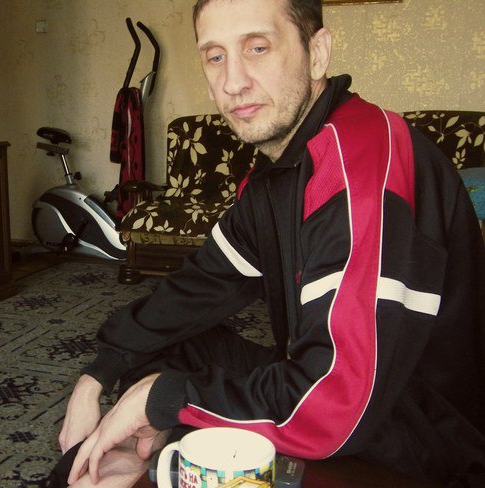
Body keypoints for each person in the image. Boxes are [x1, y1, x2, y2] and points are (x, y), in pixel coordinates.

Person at [50, 0, 485, 486]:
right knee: (162, 348)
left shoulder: (360, 167)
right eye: (215, 56)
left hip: (421, 438)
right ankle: (144, 457)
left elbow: (334, 405)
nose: (232, 82)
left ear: (316, 54)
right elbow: (200, 285)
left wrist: (164, 399)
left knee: (167, 390)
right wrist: (100, 373)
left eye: (257, 48)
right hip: (340, 393)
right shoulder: (277, 172)